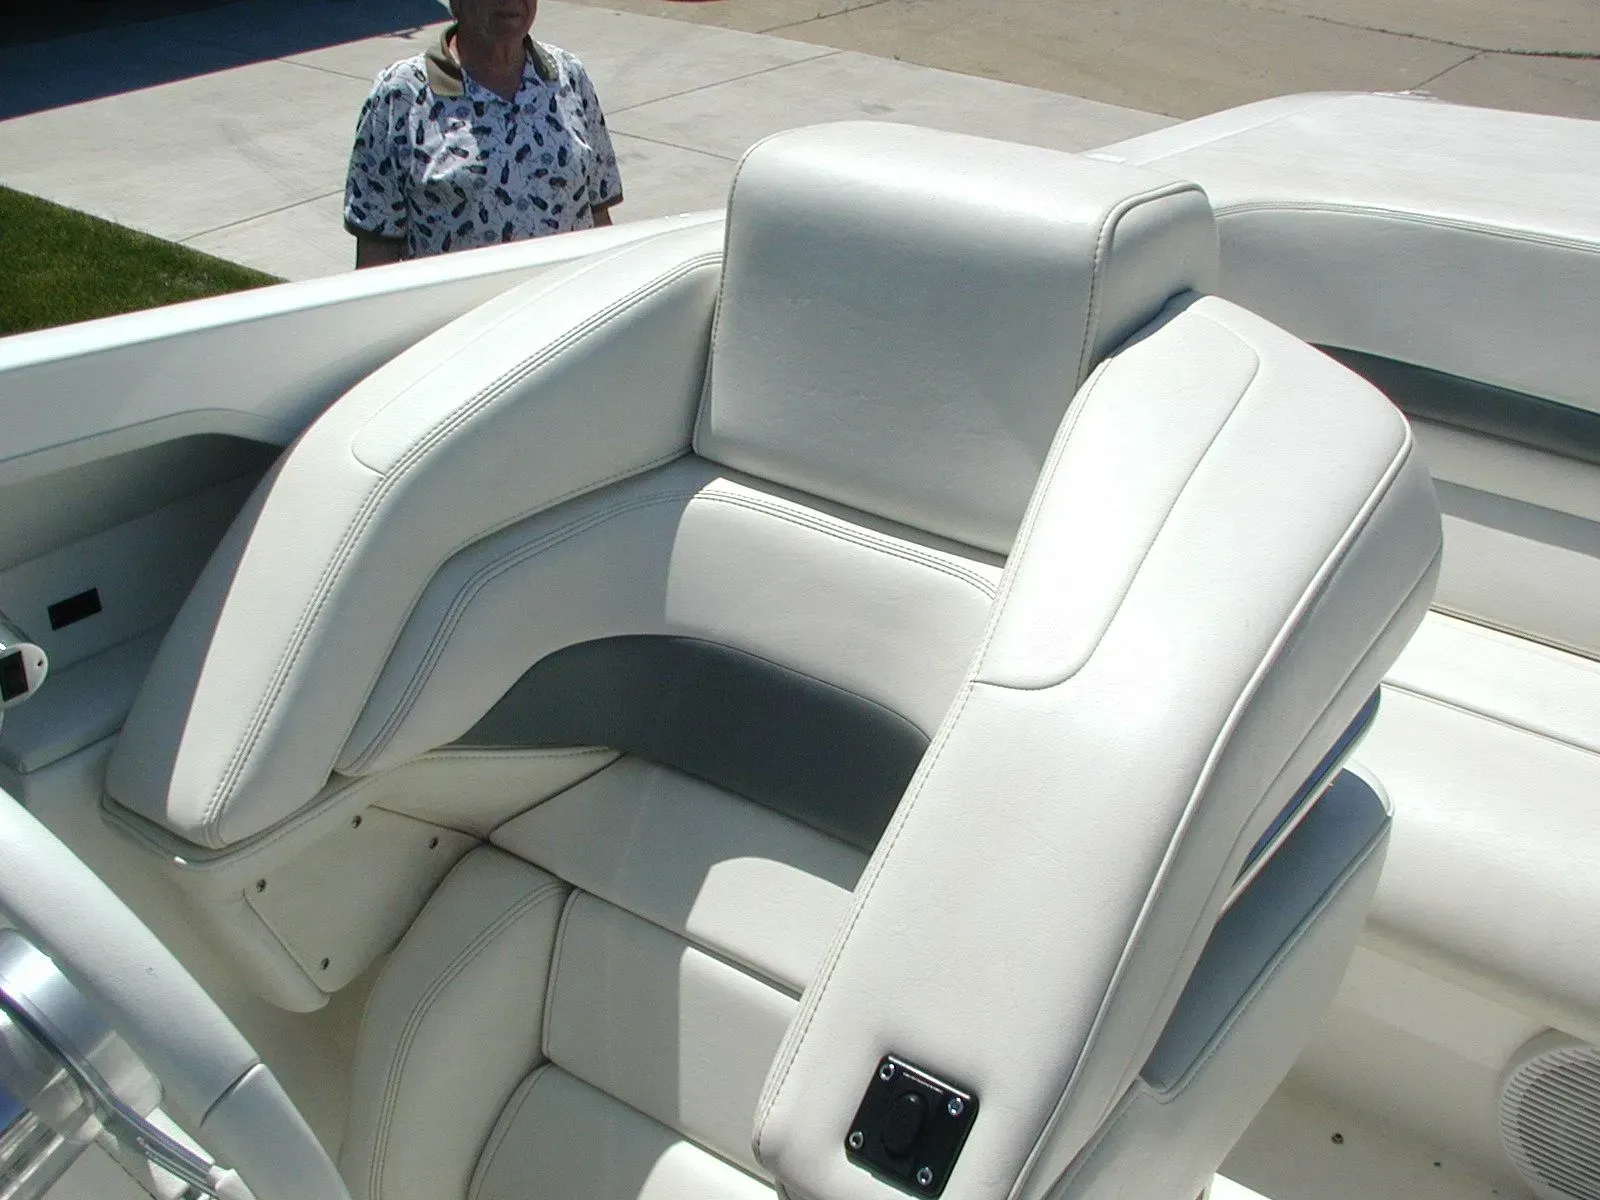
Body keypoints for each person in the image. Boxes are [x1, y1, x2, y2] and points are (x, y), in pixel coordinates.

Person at [344, 0, 623, 268]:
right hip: (470, 315)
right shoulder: (400, 95)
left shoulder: (568, 77)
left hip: (568, 311)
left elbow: (598, 217)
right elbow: (376, 260)